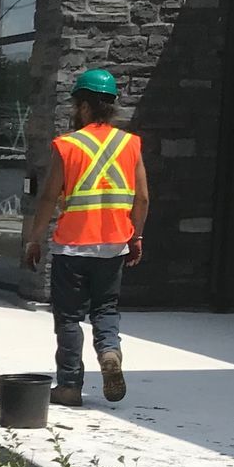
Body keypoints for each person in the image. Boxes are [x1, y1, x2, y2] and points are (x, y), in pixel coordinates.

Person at [23, 68, 149, 407]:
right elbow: (143, 199)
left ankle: (68, 386)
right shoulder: (130, 144)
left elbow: (48, 197)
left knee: (68, 316)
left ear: (84, 107)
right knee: (105, 308)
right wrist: (135, 237)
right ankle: (109, 352)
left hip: (72, 247)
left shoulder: (68, 145)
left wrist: (34, 239)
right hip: (113, 246)